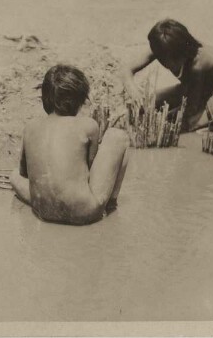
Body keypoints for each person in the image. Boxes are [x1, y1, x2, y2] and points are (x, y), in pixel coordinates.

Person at [10, 65, 129, 225]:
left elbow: (24, 174)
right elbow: (91, 169)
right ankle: (111, 206)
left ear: (45, 98)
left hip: (42, 210)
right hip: (83, 213)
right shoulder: (89, 125)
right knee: (118, 136)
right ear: (79, 101)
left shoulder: (30, 127)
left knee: (13, 176)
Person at [121, 19, 213, 132]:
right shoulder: (163, 47)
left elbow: (191, 110)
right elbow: (127, 69)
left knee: (185, 126)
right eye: (162, 59)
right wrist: (133, 91)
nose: (167, 65)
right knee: (152, 101)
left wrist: (164, 118)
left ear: (183, 53)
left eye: (172, 62)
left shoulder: (198, 64)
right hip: (203, 86)